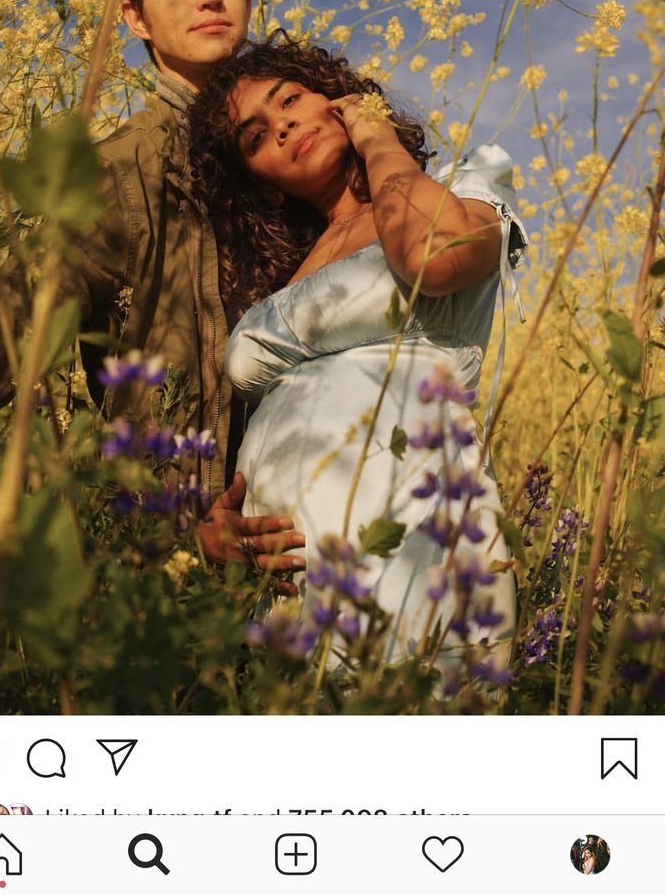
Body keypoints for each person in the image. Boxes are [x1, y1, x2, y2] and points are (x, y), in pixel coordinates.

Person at [0, 0, 305, 578]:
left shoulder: (295, 147)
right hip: (186, 547)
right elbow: (12, 312)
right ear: (134, 19)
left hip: (314, 530)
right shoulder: (122, 172)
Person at [188, 35, 529, 661]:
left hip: (418, 545)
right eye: (256, 137)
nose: (283, 126)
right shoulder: (282, 281)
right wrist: (217, 527)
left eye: (289, 99)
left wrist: (375, 137)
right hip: (284, 588)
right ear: (262, 184)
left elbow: (434, 255)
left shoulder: (460, 184)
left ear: (340, 100)